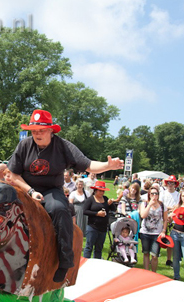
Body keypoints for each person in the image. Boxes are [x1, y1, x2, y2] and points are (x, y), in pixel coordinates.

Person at [8, 109, 124, 282]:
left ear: (50, 130)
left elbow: (88, 165)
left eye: (41, 130)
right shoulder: (24, 145)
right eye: (34, 130)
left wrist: (108, 166)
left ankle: (65, 261)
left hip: (51, 191)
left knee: (60, 209)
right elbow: (13, 174)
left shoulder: (63, 146)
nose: (37, 134)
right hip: (26, 189)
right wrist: (30, 191)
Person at [83, 181, 116, 259]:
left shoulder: (105, 199)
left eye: (103, 191)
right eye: (100, 190)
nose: (102, 192)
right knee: (89, 246)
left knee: (99, 248)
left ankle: (96, 263)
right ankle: (85, 262)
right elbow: (85, 211)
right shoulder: (90, 199)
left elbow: (114, 209)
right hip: (92, 226)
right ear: (95, 190)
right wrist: (97, 213)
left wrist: (111, 203)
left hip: (103, 227)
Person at [139, 186, 167, 272]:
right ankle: (146, 272)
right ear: (149, 194)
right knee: (146, 253)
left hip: (157, 233)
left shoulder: (162, 205)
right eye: (152, 193)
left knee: (155, 255)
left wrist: (164, 230)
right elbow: (143, 215)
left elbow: (165, 219)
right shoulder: (144, 204)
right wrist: (149, 205)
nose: (154, 195)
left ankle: (154, 273)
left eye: (156, 193)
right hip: (145, 232)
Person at [169, 190, 184, 283]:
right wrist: (170, 217)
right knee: (175, 257)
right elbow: (170, 221)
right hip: (175, 233)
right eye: (183, 196)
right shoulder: (177, 207)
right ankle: (176, 277)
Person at [160, 175, 180, 267]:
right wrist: (169, 208)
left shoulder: (178, 194)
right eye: (169, 183)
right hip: (163, 217)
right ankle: (155, 255)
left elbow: (177, 206)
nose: (170, 185)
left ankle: (169, 259)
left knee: (171, 240)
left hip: (173, 219)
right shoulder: (163, 193)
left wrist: (171, 211)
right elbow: (161, 204)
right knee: (159, 237)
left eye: (172, 183)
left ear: (175, 184)